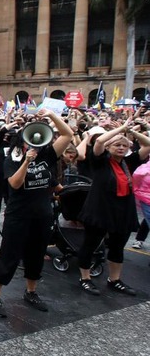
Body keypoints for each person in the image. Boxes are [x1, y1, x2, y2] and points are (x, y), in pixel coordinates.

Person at [0, 109, 73, 318]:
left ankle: (31, 291)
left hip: (42, 214)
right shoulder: (12, 159)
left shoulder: (48, 155)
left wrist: (51, 116)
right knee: (9, 254)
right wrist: (26, 161)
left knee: (36, 254)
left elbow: (68, 135)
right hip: (18, 214)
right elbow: (14, 184)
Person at [76, 121, 150, 296]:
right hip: (100, 209)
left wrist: (131, 131)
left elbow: (148, 145)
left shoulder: (129, 162)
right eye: (117, 145)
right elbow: (100, 141)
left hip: (123, 210)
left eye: (124, 145)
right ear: (109, 147)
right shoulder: (100, 160)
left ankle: (114, 279)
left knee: (117, 247)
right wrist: (121, 129)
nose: (121, 148)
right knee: (90, 244)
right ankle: (85, 278)